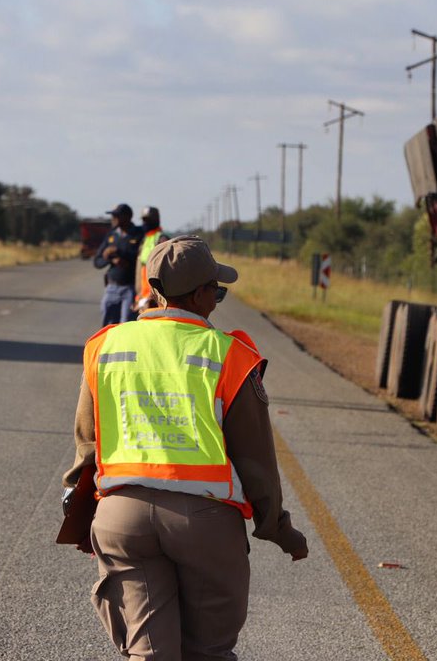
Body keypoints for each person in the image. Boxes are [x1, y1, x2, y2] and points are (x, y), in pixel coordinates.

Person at [64, 235, 309, 661]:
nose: (218, 297)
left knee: (150, 653)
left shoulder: (105, 345)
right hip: (206, 524)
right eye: (217, 290)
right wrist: (279, 530)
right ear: (199, 295)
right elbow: (255, 464)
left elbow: (88, 445)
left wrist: (81, 513)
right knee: (209, 652)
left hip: (123, 518)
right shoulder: (229, 354)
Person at [93, 203, 143, 326]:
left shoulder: (139, 234)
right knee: (108, 324)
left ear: (128, 217)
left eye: (117, 215)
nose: (113, 218)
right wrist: (109, 258)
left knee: (126, 324)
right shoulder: (111, 235)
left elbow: (141, 258)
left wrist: (121, 255)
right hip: (112, 288)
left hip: (130, 289)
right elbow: (97, 261)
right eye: (113, 216)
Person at [134, 206, 169, 312]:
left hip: (154, 299)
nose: (145, 223)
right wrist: (139, 295)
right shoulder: (146, 239)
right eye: (144, 220)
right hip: (143, 296)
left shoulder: (162, 239)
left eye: (148, 220)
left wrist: (154, 295)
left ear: (156, 220)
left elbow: (164, 270)